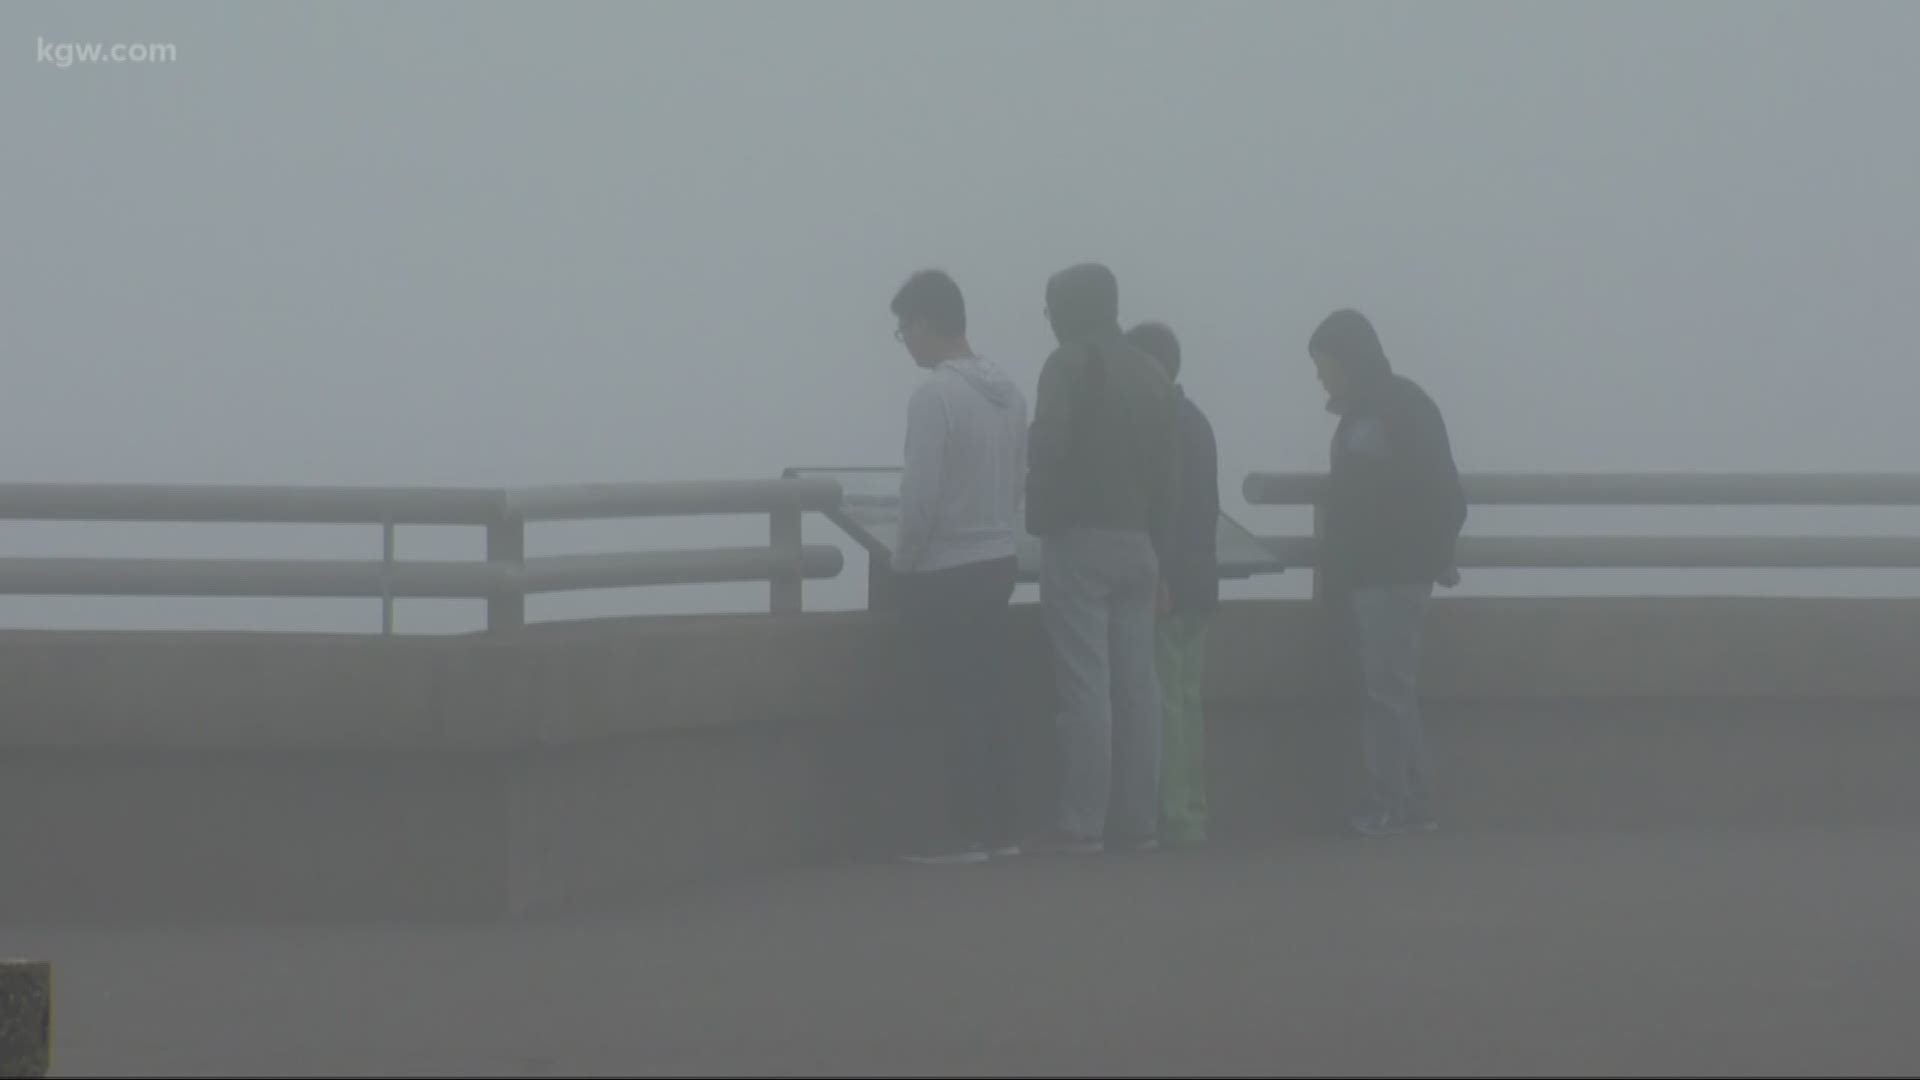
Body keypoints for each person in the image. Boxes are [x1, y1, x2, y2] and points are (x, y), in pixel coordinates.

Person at [1026, 264, 1177, 855]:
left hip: (1081, 540)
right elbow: (1171, 476)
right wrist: (1160, 555)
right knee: (1139, 687)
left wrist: (1039, 518)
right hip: (1139, 544)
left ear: (1069, 308)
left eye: (1050, 307)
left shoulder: (1066, 364)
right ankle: (1140, 822)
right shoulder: (1150, 370)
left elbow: (1047, 444)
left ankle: (1081, 821)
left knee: (1086, 685)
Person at [888, 269, 1030, 864]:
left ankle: (961, 833)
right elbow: (1018, 480)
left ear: (924, 322)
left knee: (952, 703)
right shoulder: (1011, 394)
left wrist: (904, 562)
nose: (905, 342)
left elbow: (920, 498)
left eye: (903, 330)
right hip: (998, 559)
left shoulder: (935, 397)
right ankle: (998, 829)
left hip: (945, 569)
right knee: (991, 699)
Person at [1307, 309, 1467, 837]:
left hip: (1386, 575)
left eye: (1323, 363)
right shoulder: (1398, 405)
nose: (1319, 376)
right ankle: (1414, 799)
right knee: (1394, 689)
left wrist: (1419, 551)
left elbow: (1429, 495)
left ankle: (1387, 802)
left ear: (1346, 360)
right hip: (1392, 571)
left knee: (1385, 692)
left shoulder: (1382, 412)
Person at [1124, 321, 1219, 850]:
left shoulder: (1156, 421)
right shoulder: (1196, 420)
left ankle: (1175, 813)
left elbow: (1163, 509)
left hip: (1169, 580)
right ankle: (1192, 811)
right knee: (1186, 697)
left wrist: (1157, 573)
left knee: (1166, 700)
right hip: (1201, 576)